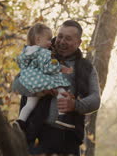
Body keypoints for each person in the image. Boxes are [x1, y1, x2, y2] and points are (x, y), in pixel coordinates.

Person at [16, 20, 101, 156]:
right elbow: (18, 83)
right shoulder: (40, 55)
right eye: (60, 36)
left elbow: (95, 99)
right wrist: (39, 90)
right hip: (37, 138)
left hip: (69, 141)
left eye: (68, 38)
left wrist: (75, 105)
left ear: (78, 42)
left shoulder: (87, 68)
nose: (61, 41)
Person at [12, 23, 73, 130]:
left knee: (30, 104)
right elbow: (48, 68)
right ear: (38, 39)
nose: (50, 43)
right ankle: (62, 118)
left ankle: (20, 121)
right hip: (41, 80)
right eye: (48, 40)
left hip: (29, 82)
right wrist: (60, 68)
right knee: (61, 91)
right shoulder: (43, 52)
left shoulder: (26, 52)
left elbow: (22, 66)